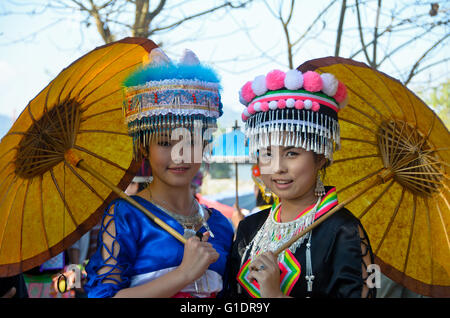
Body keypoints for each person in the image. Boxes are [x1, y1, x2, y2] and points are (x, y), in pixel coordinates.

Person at [84, 48, 234, 298]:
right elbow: (103, 296)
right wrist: (183, 275)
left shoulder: (220, 225)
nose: (179, 155)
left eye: (190, 143)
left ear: (205, 146)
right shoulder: (126, 216)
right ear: (145, 148)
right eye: (165, 143)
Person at [226, 68, 376, 298]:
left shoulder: (343, 231)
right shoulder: (249, 228)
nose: (277, 167)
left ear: (320, 157)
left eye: (292, 153)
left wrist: (275, 296)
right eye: (267, 153)